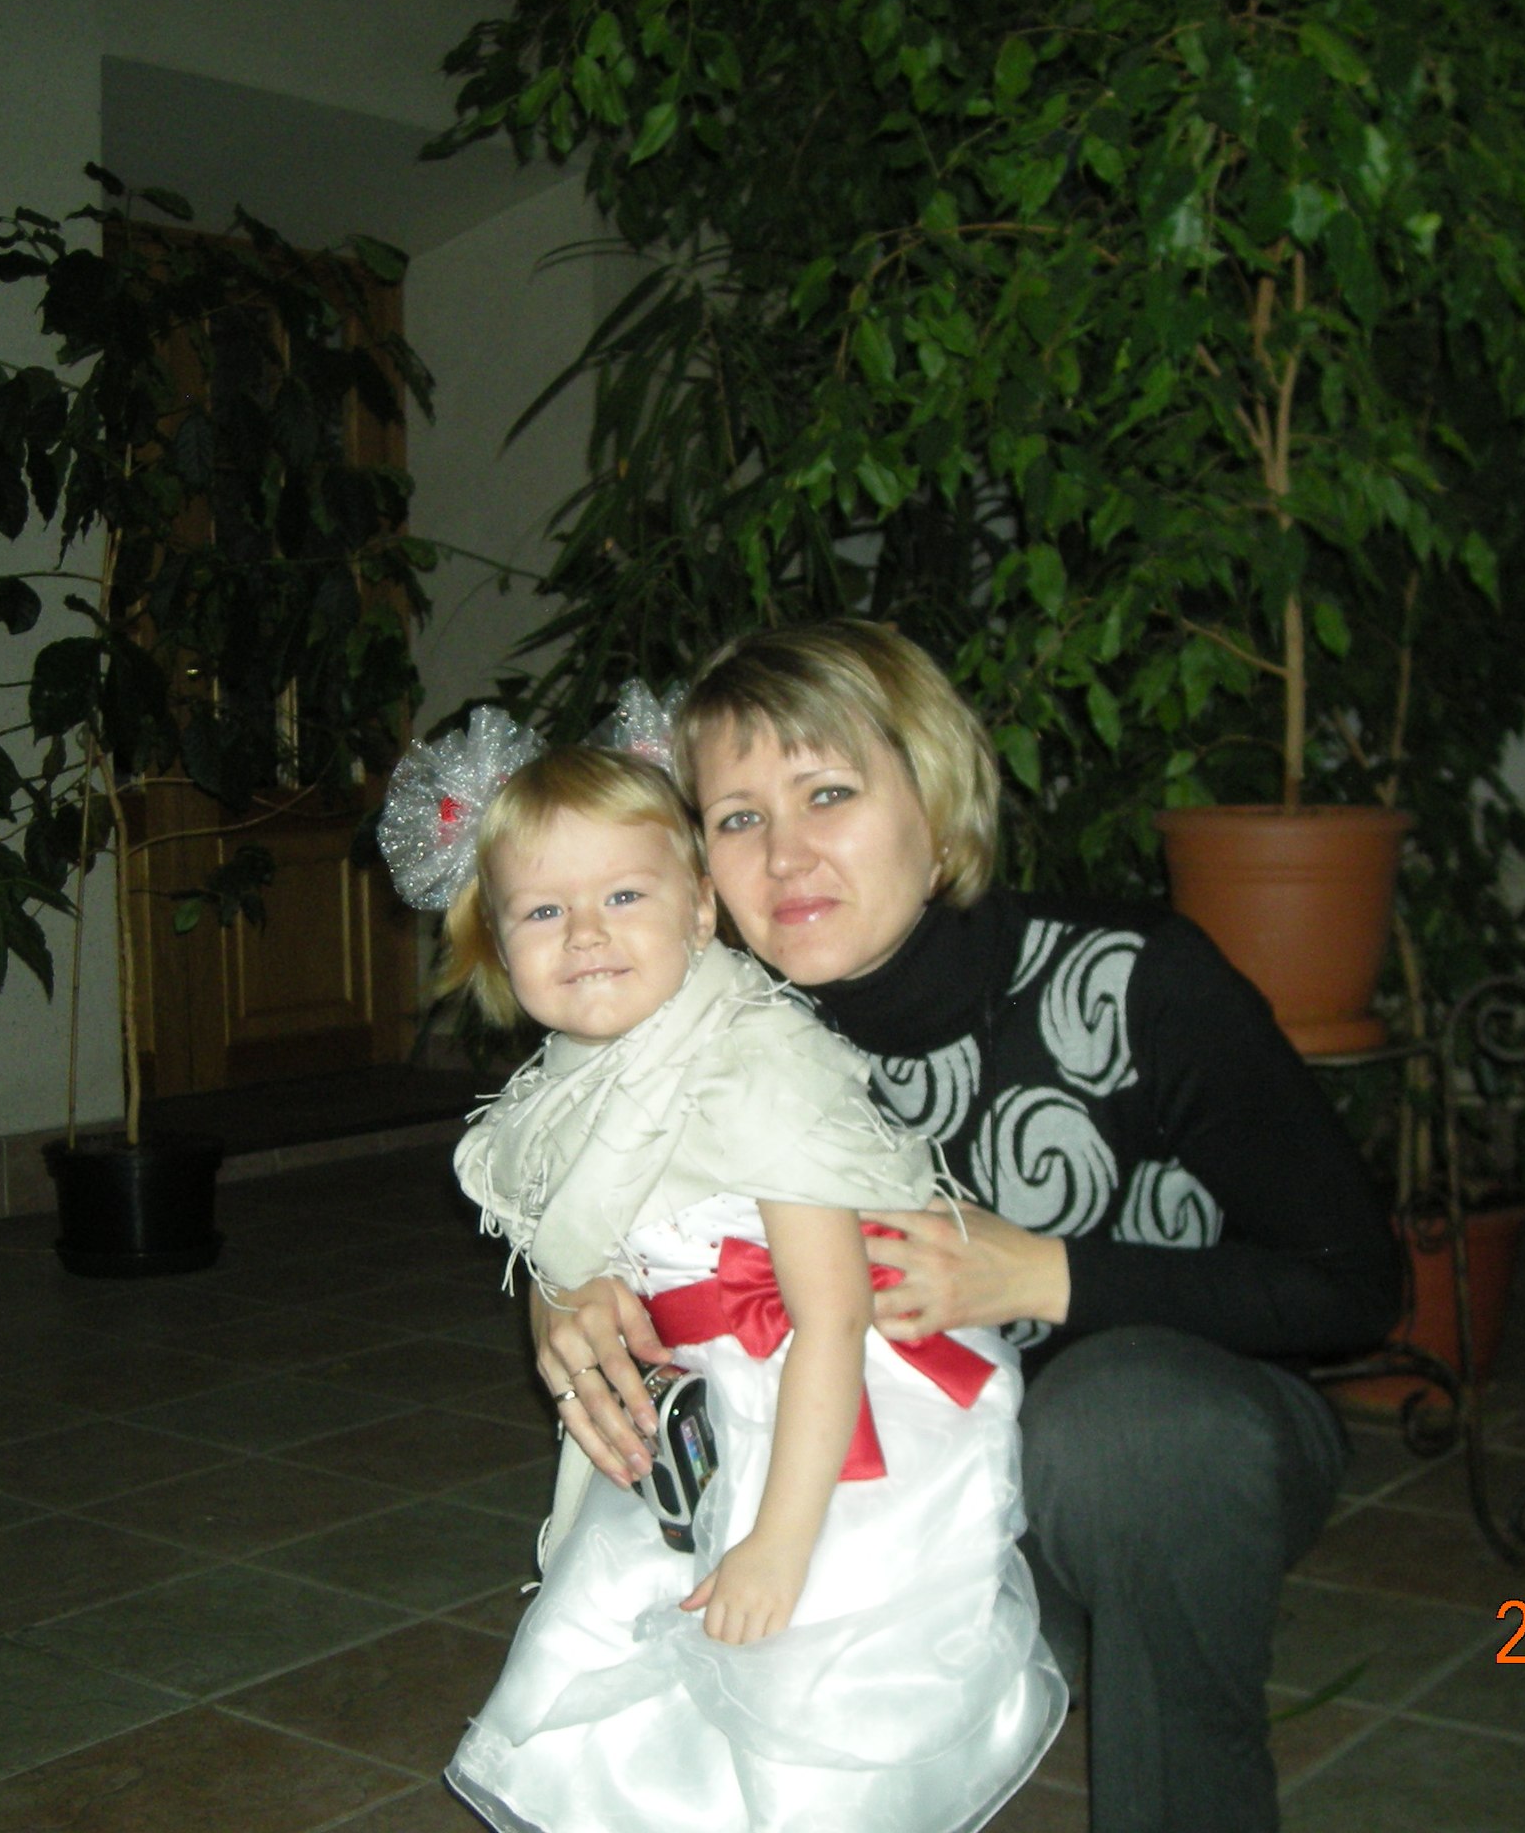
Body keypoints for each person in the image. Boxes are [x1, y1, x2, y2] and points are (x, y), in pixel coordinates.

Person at [531, 624, 1404, 1833]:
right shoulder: (707, 1029)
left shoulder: (1131, 982)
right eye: (737, 818)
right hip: (892, 1498)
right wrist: (563, 1291)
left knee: (1127, 1431)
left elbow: (1356, 1284)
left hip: (1177, 1447)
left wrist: (1044, 1275)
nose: (785, 854)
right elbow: (562, 1172)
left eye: (828, 793)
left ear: (936, 810)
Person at [375, 710, 1066, 1833]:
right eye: (543, 911)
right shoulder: (570, 1084)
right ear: (497, 945)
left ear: (701, 909)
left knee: (795, 1702)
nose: (585, 934)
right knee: (647, 1695)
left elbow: (833, 1316)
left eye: (624, 895)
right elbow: (571, 1247)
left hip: (827, 1428)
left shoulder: (753, 1060)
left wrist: (780, 1546)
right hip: (699, 1417)